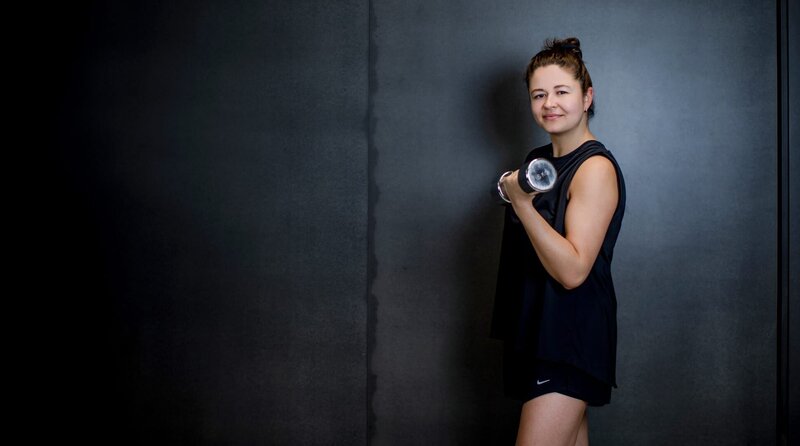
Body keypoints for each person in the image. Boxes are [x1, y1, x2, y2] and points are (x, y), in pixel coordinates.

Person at [491, 37, 626, 446]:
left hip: (569, 335)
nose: (549, 102)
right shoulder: (538, 161)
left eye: (562, 91)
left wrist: (521, 203)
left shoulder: (594, 168)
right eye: (539, 94)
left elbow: (572, 271)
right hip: (537, 332)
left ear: (587, 97)